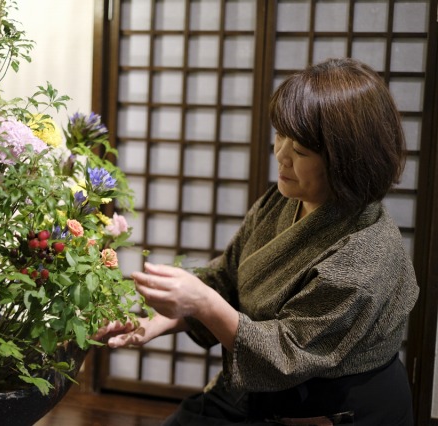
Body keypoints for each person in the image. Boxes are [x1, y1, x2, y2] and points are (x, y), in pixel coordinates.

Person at [98, 58, 419, 425]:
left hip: (330, 407)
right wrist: (157, 320)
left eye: (300, 151)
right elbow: (228, 276)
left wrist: (201, 303)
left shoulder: (364, 256)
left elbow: (288, 352)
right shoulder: (284, 200)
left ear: (347, 160)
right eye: (280, 134)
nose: (280, 155)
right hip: (257, 387)